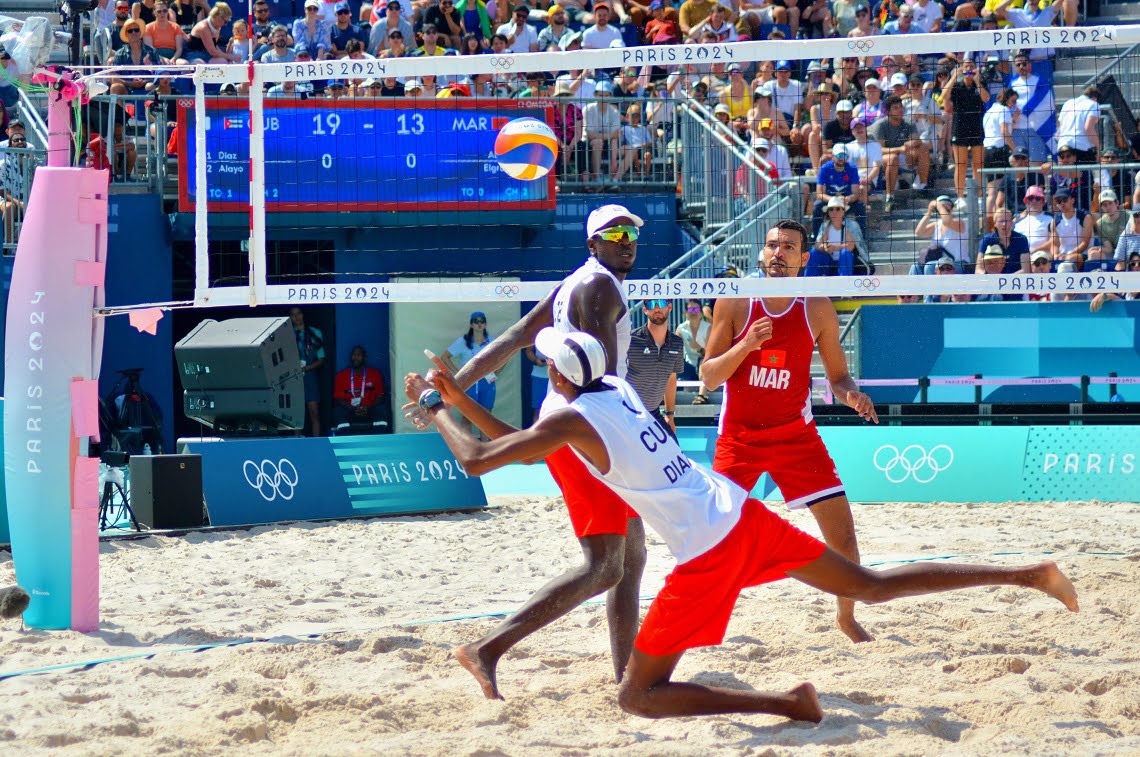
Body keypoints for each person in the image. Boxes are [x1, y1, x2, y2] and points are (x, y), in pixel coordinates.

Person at [407, 327, 1080, 720]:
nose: (543, 359)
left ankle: (786, 703)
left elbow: (477, 459)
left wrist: (437, 406)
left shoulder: (571, 416)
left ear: (557, 371)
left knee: (637, 698)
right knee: (870, 583)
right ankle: (1028, 572)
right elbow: (516, 442)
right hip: (741, 512)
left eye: (547, 356)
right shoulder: (610, 389)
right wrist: (461, 399)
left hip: (708, 551)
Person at [421, 204, 649, 700]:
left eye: (633, 231)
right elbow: (602, 376)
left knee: (630, 558)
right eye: (615, 233)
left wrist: (451, 388)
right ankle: (488, 647)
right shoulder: (600, 286)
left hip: (581, 421)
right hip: (591, 427)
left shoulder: (573, 283)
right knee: (607, 564)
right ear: (593, 243)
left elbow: (510, 338)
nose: (628, 239)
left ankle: (628, 675)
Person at [700, 219, 879, 643]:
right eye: (772, 246)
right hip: (739, 437)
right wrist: (745, 346)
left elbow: (839, 378)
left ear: (803, 258)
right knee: (710, 539)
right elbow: (708, 377)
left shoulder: (816, 306)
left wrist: (851, 395)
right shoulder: (737, 301)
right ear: (761, 254)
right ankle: (703, 616)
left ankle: (846, 617)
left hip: (796, 437)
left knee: (844, 538)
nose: (778, 253)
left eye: (788, 247)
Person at [626, 299, 685, 440]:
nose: (657, 309)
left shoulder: (677, 343)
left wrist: (670, 415)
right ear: (645, 310)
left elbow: (671, 379)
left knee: (674, 455)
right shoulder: (631, 340)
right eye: (652, 305)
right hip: (628, 414)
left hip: (654, 412)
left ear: (670, 307)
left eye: (662, 303)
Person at [943, 61, 989, 211]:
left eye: (971, 66)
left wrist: (976, 80)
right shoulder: (957, 86)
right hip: (960, 128)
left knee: (978, 164)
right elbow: (944, 97)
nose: (968, 69)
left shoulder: (980, 83)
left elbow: (986, 98)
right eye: (966, 66)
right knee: (960, 164)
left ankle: (980, 196)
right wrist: (954, 77)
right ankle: (960, 197)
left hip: (976, 127)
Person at [441, 312, 497, 425]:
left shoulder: (492, 341)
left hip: (487, 380)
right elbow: (445, 357)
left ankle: (486, 443)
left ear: (485, 324)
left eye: (482, 321)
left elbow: (504, 357)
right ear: (471, 325)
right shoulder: (463, 341)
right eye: (476, 321)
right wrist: (459, 373)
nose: (479, 324)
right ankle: (466, 441)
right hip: (469, 381)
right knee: (468, 415)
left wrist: (496, 371)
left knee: (487, 416)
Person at [809, 197, 867, 277]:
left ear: (843, 211)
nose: (834, 212)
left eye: (837, 209)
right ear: (828, 212)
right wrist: (825, 247)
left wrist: (834, 248)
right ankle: (809, 281)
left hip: (849, 263)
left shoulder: (851, 225)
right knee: (814, 252)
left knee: (845, 253)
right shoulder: (825, 226)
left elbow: (850, 246)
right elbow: (817, 245)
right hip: (829, 262)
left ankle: (844, 282)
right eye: (831, 209)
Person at [290, 307, 326, 436]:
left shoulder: (315, 333)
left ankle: (316, 442)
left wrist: (306, 368)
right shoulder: (287, 335)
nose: (297, 317)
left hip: (310, 376)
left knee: (314, 411)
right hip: (293, 377)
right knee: (296, 414)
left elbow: (321, 358)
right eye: (293, 315)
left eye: (299, 313)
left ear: (303, 314)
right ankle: (297, 442)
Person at [333, 345, 387, 429]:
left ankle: (379, 440)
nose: (355, 358)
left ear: (364, 358)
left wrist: (368, 408)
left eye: (359, 355)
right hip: (350, 410)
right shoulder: (341, 375)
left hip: (369, 409)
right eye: (354, 355)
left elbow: (380, 396)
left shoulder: (375, 374)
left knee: (380, 410)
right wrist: (352, 409)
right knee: (339, 412)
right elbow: (339, 398)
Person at [913, 196, 969, 274]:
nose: (943, 207)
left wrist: (938, 205)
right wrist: (929, 212)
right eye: (942, 206)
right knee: (915, 267)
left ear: (952, 209)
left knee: (930, 266)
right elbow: (919, 232)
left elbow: (947, 221)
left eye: (947, 205)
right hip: (939, 263)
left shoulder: (959, 223)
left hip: (957, 263)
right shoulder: (937, 225)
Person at [675, 298, 709, 404]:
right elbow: (676, 350)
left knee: (704, 361)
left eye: (696, 309)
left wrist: (699, 349)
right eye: (690, 310)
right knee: (671, 362)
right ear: (685, 313)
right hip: (688, 365)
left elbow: (710, 351)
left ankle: (702, 396)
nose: (693, 312)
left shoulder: (708, 327)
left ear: (701, 312)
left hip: (704, 363)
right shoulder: (681, 329)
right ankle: (663, 396)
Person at [978, 207, 1031, 274]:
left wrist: (1005, 280)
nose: (1004, 224)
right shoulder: (986, 240)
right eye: (1001, 221)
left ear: (1012, 223)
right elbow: (978, 269)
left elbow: (1026, 270)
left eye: (1007, 221)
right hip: (992, 280)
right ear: (995, 224)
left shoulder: (1021, 239)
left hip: (1016, 281)